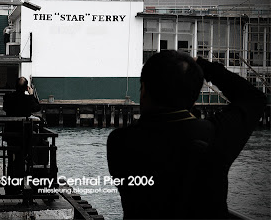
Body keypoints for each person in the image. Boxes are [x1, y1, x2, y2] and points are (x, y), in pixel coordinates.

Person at [107, 50, 266, 219]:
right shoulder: (214, 135)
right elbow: (254, 98)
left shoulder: (120, 142)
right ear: (195, 95)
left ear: (144, 89)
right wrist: (203, 65)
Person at [3, 77, 41, 194]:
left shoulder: (8, 97)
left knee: (11, 160)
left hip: (10, 132)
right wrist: (31, 94)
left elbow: (5, 108)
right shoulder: (28, 99)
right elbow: (37, 108)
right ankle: (18, 186)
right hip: (23, 134)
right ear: (26, 87)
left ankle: (10, 187)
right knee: (21, 160)